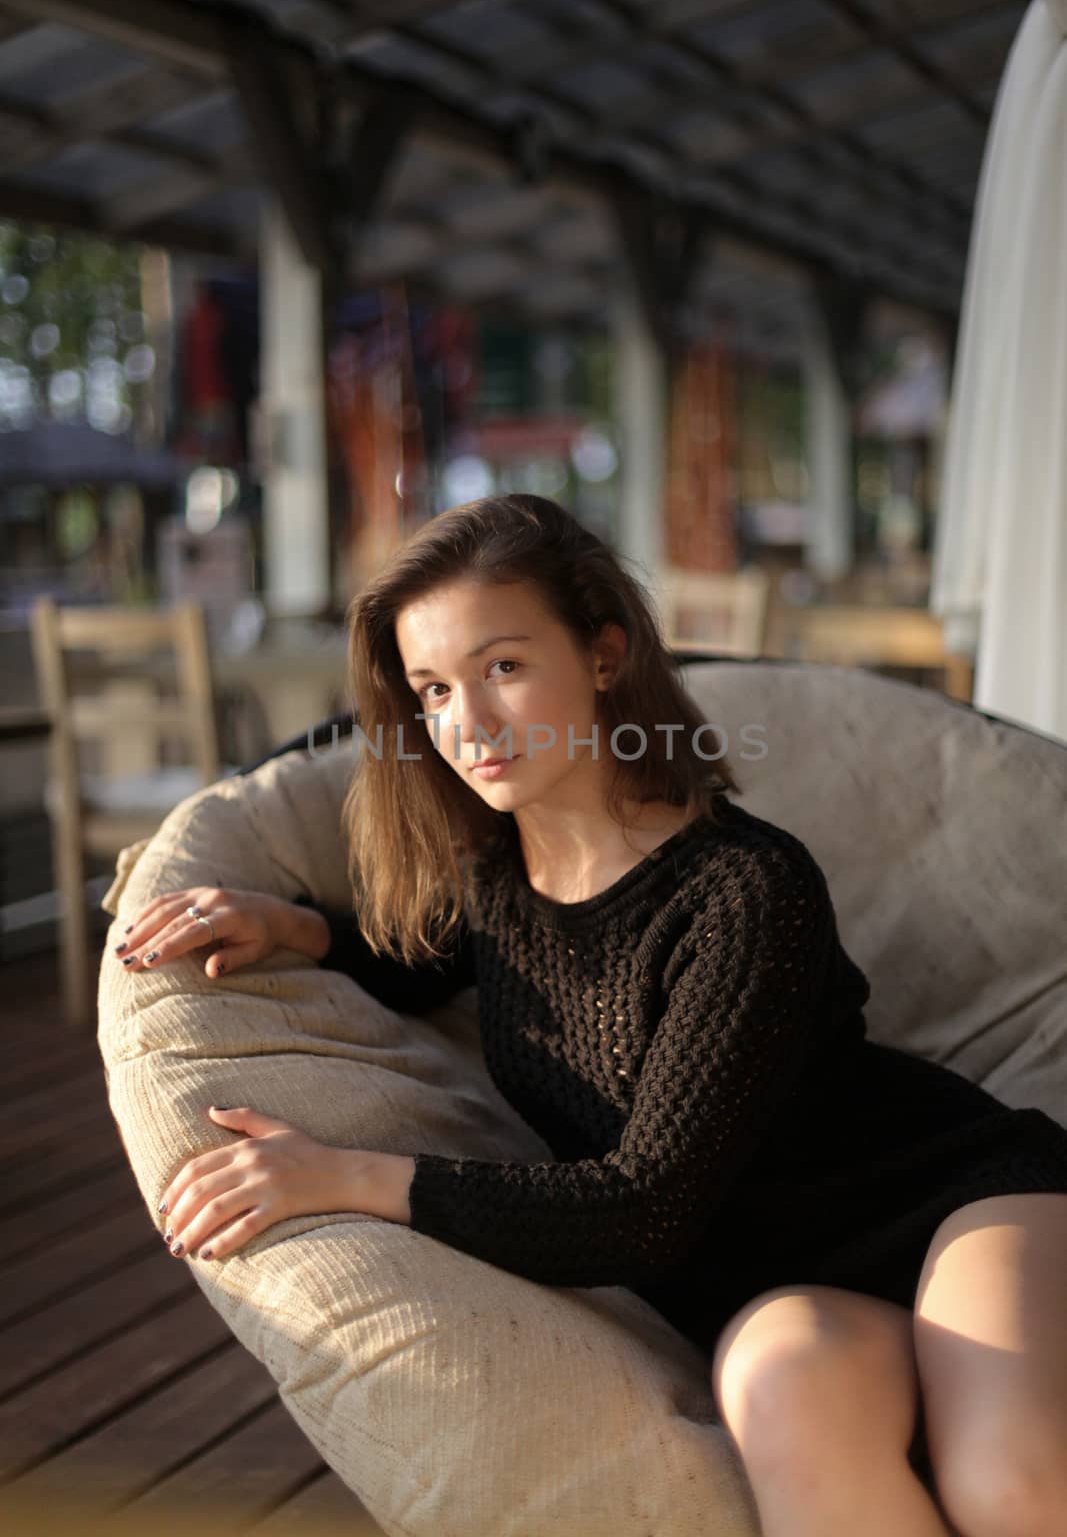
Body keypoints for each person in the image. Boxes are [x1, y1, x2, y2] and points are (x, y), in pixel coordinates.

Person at [115, 494, 1067, 1537]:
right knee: (788, 1396)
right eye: (434, 689)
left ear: (604, 654)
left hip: (953, 1203)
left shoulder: (747, 889)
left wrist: (341, 1174)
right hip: (773, 1277)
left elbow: (642, 1210)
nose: (466, 724)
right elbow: (420, 965)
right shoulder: (493, 882)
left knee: (1002, 1486)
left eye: (504, 668)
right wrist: (294, 929)